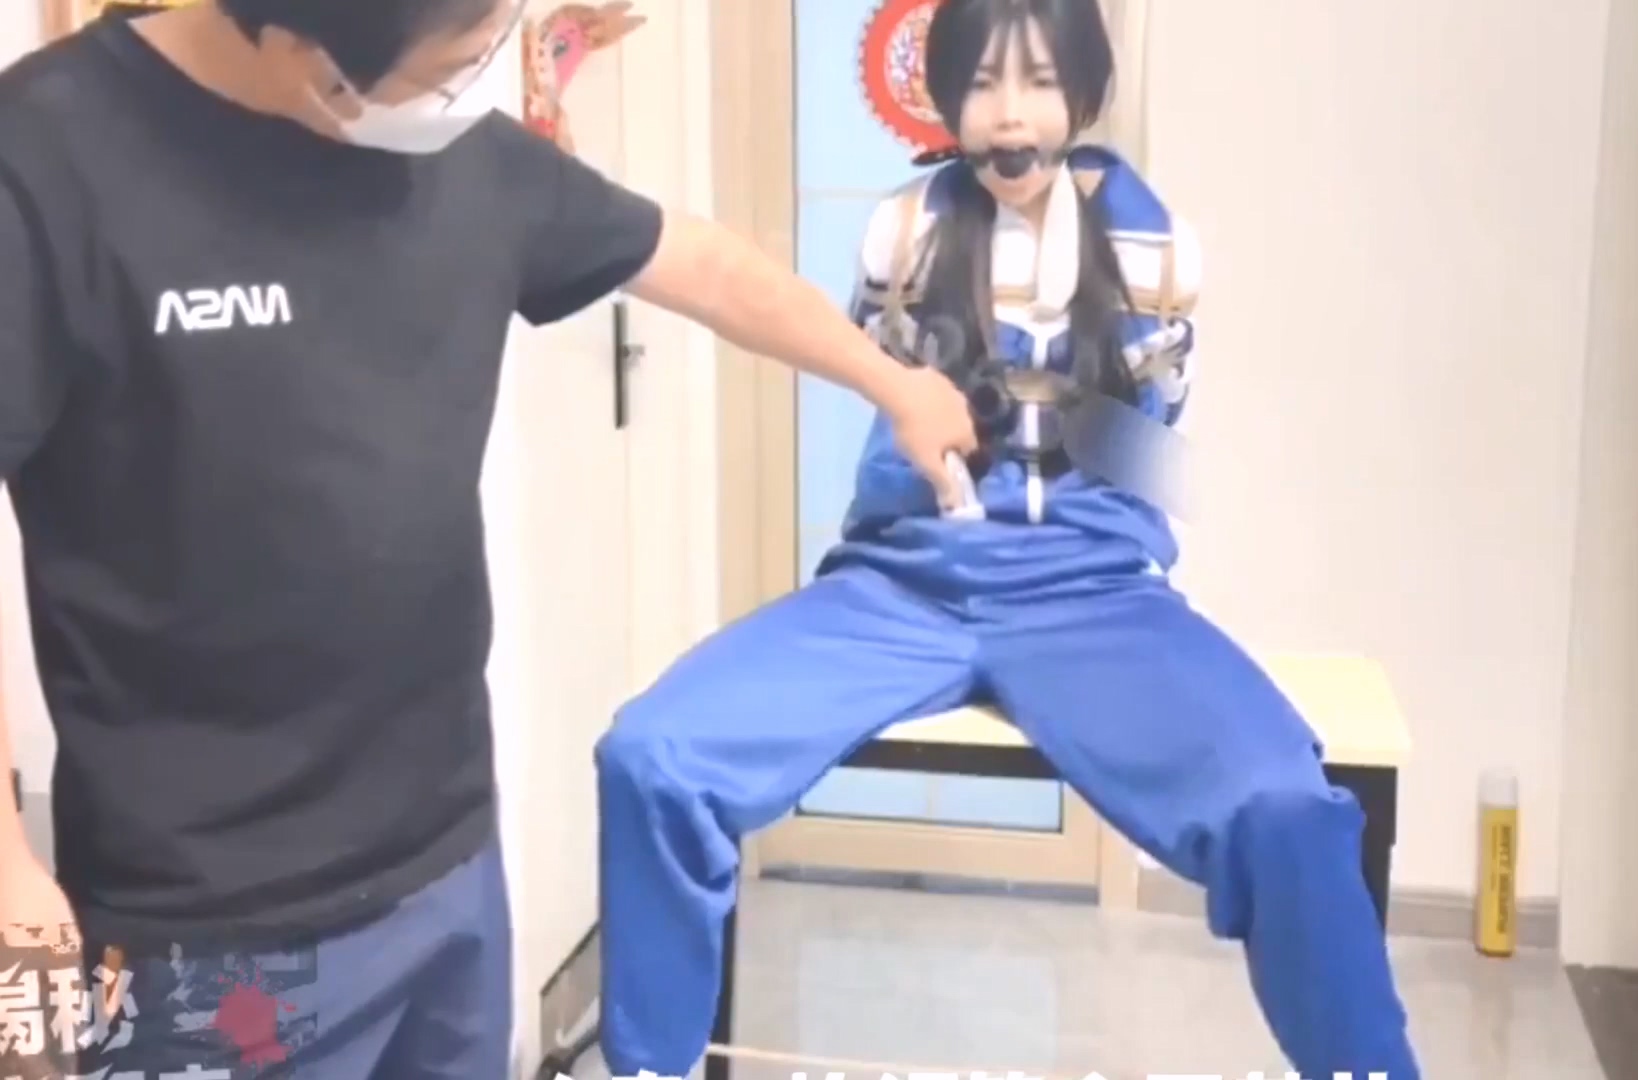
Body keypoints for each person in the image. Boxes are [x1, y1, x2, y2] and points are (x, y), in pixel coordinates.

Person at [0, 0, 976, 1075]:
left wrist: (891, 381)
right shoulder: (46, 159)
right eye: (455, 67)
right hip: (204, 938)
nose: (477, 90)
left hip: (448, 868)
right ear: (304, 51)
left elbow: (698, 262)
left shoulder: (465, 156)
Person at [594, 0, 1424, 1077]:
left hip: (1092, 595)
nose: (1009, 115)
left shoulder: (1157, 248)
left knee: (1286, 807)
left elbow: (1163, 469)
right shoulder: (902, 234)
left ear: (1083, 91)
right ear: (944, 98)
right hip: (902, 587)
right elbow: (883, 399)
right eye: (982, 83)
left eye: (1037, 81)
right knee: (653, 756)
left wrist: (1071, 418)